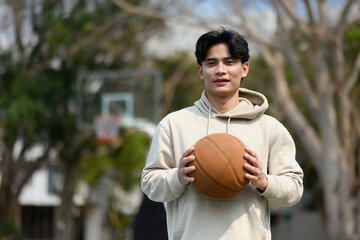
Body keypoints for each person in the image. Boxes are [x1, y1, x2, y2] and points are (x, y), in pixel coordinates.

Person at [141, 27, 304, 240]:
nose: (220, 70)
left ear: (244, 68)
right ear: (201, 71)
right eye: (211, 63)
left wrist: (264, 182)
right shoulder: (173, 124)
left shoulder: (269, 128)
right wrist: (177, 177)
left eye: (229, 62)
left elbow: (294, 189)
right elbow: (150, 183)